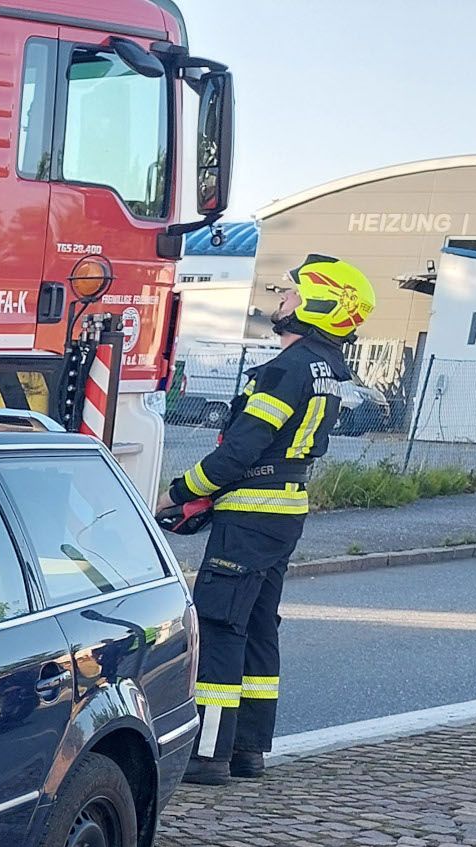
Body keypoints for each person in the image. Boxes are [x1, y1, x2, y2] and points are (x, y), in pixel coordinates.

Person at [159, 255, 377, 785]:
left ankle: (208, 754)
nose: (284, 300)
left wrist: (180, 492)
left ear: (319, 306)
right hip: (283, 513)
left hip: (251, 514)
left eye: (295, 294)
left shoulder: (287, 369)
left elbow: (240, 451)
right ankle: (248, 751)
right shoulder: (324, 368)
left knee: (220, 624)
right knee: (257, 626)